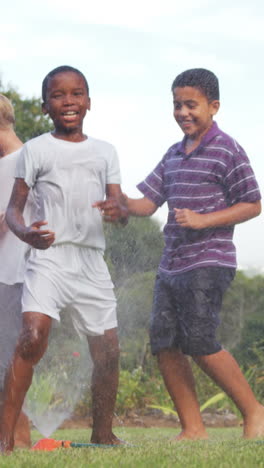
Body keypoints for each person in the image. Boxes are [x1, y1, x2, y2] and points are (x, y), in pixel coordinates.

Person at [95, 68, 264, 440]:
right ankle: (193, 428)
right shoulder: (173, 154)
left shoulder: (227, 148)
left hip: (209, 260)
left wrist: (204, 220)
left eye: (191, 104)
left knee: (200, 341)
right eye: (177, 105)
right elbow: (148, 203)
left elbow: (253, 203)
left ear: (213, 106)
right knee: (165, 343)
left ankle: (254, 412)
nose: (183, 112)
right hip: (171, 264)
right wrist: (119, 201)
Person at [0, 66, 127, 453]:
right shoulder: (36, 150)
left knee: (107, 352)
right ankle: (5, 441)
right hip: (49, 258)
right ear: (44, 106)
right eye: (58, 95)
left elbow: (119, 209)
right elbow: (13, 212)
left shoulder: (105, 151)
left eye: (77, 94)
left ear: (88, 102)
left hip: (91, 261)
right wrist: (27, 235)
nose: (68, 102)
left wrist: (117, 212)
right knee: (31, 337)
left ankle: (103, 435)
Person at [0, 94, 31, 448]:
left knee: (8, 358)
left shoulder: (10, 165)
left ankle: (18, 437)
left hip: (12, 274)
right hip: (23, 273)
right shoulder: (30, 157)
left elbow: (8, 220)